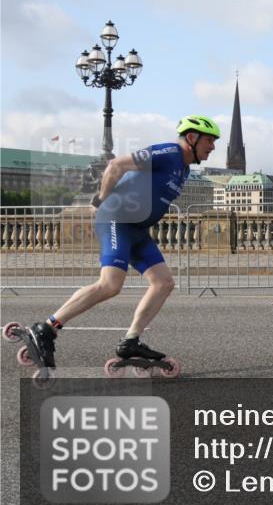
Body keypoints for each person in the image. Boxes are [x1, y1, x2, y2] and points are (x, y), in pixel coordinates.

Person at [23, 115, 221, 370]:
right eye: (209, 140)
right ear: (192, 138)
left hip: (137, 229)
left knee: (163, 283)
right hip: (117, 219)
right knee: (110, 284)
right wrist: (99, 200)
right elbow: (117, 164)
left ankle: (130, 341)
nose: (213, 147)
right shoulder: (169, 152)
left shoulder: (183, 168)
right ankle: (47, 328)